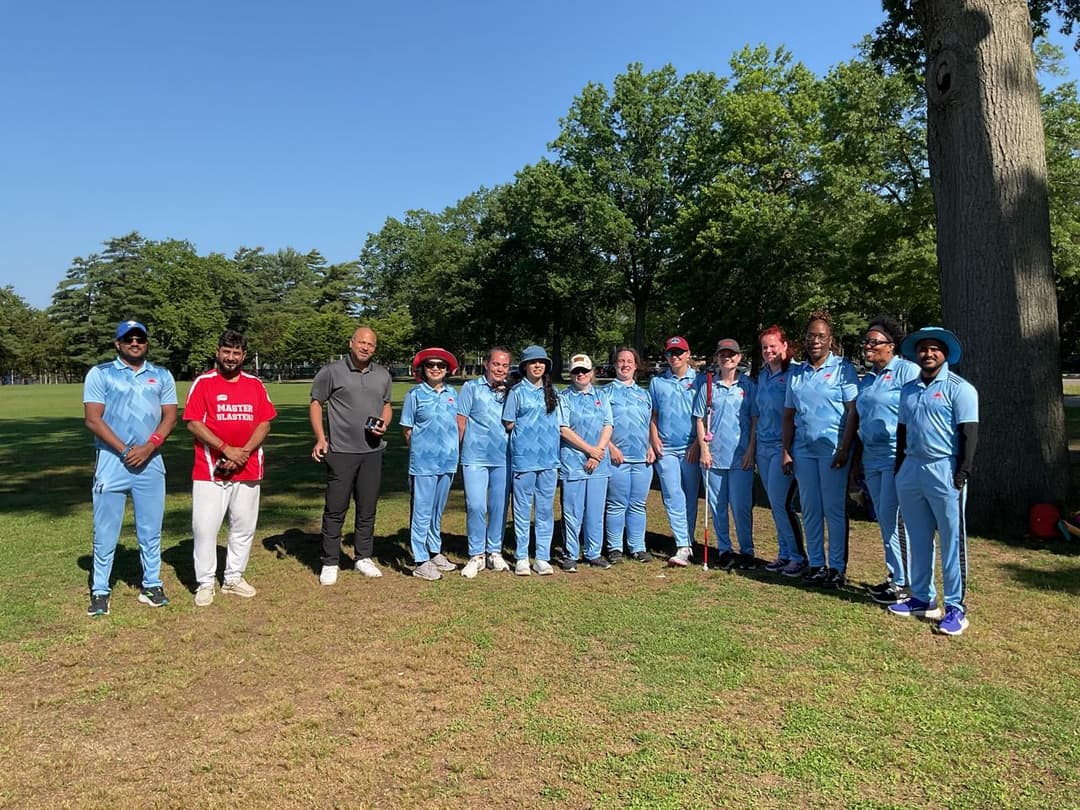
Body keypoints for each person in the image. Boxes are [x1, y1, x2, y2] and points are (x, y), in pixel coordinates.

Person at [83, 320, 178, 616]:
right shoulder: (101, 374)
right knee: (106, 530)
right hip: (112, 463)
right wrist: (124, 450)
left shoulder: (161, 375)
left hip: (150, 462)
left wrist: (149, 447)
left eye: (140, 339)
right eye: (128, 339)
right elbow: (93, 419)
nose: (134, 343)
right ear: (118, 343)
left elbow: (170, 416)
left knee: (150, 529)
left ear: (146, 342)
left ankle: (151, 584)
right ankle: (100, 590)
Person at [888, 327, 978, 636]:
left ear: (945, 353)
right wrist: (899, 468)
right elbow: (901, 432)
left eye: (934, 349)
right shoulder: (909, 389)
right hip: (912, 468)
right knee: (918, 536)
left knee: (952, 541)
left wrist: (961, 473)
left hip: (944, 470)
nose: (928, 354)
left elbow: (969, 435)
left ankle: (956, 608)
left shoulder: (960, 388)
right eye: (923, 349)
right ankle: (922, 598)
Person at [183, 330, 277, 606]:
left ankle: (233, 577)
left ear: (244, 356)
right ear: (218, 352)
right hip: (210, 469)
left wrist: (243, 452)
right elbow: (193, 423)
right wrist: (226, 449)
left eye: (237, 353)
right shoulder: (203, 383)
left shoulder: (255, 385)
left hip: (248, 467)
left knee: (243, 526)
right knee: (205, 527)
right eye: (227, 351)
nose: (231, 357)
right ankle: (205, 582)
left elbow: (264, 423)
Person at [310, 326, 393, 586]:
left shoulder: (382, 374)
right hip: (341, 451)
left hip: (372, 451)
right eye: (362, 342)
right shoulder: (331, 372)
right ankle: (330, 561)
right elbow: (315, 404)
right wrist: (321, 439)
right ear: (351, 343)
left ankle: (363, 557)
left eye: (371, 344)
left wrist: (384, 423)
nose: (366, 347)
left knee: (367, 508)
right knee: (335, 509)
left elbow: (387, 405)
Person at [782, 311, 859, 589]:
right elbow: (789, 415)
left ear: (830, 340)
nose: (815, 340)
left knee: (834, 510)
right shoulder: (797, 373)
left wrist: (844, 449)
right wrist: (786, 450)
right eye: (811, 336)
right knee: (811, 509)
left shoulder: (843, 370)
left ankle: (836, 568)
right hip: (803, 452)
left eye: (821, 336)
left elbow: (853, 412)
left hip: (832, 452)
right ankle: (816, 564)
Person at [854, 316, 920, 605]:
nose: (868, 347)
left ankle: (910, 583)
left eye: (873, 342)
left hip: (898, 457)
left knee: (898, 520)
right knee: (884, 518)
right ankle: (896, 578)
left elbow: (919, 409)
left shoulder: (907, 371)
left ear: (890, 346)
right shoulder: (868, 379)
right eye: (866, 342)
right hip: (872, 457)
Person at [694, 339, 757, 570]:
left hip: (741, 457)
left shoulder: (748, 386)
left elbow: (754, 420)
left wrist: (751, 450)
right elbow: (700, 420)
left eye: (732, 355)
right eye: (723, 355)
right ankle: (724, 549)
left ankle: (747, 551)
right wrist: (704, 450)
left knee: (741, 507)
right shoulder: (708, 386)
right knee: (717, 506)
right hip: (714, 457)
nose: (727, 358)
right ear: (717, 359)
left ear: (739, 358)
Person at [401, 348, 460, 581]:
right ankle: (420, 559)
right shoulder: (414, 395)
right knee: (422, 511)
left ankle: (434, 552)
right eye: (430, 365)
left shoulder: (453, 393)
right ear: (423, 369)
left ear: (447, 370)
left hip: (448, 461)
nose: (436, 368)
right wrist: (420, 451)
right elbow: (407, 429)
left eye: (441, 365)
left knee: (436, 511)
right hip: (424, 463)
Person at [752, 326, 806, 577]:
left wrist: (788, 449)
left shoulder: (796, 374)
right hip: (763, 446)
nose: (768, 351)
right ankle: (784, 553)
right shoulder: (763, 376)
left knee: (781, 503)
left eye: (773, 345)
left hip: (782, 447)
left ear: (785, 346)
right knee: (775, 504)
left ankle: (797, 556)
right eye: (764, 347)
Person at [502, 345, 561, 576]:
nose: (538, 366)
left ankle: (543, 557)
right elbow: (509, 423)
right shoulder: (516, 393)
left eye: (542, 362)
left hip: (548, 460)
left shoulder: (552, 392)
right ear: (525, 366)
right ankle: (522, 556)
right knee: (522, 510)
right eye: (533, 362)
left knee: (545, 510)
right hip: (524, 460)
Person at [456, 347, 513, 577]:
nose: (500, 369)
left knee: (499, 506)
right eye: (496, 364)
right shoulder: (471, 388)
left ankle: (494, 551)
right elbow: (461, 421)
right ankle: (476, 554)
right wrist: (458, 453)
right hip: (474, 456)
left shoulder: (512, 391)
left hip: (503, 457)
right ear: (487, 364)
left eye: (505, 365)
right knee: (476, 505)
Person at [650, 336, 705, 566]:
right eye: (671, 353)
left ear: (688, 353)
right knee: (672, 495)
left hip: (691, 448)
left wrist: (696, 445)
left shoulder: (700, 381)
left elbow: (703, 416)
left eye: (679, 352)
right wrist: (653, 438)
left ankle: (688, 540)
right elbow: (653, 414)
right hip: (667, 448)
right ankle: (682, 545)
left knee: (690, 496)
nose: (675, 357)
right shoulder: (657, 382)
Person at [556, 353, 614, 571]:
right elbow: (563, 429)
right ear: (571, 374)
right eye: (576, 371)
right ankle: (570, 553)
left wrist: (597, 452)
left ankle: (594, 552)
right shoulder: (564, 397)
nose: (581, 374)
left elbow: (608, 424)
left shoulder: (602, 396)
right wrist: (589, 450)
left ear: (592, 373)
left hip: (599, 463)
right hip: (573, 462)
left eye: (585, 371)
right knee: (572, 510)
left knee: (595, 511)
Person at [602, 347, 655, 563]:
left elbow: (649, 422)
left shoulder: (644, 394)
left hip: (642, 459)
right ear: (615, 365)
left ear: (636, 365)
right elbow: (601, 424)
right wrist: (611, 447)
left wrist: (651, 446)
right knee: (616, 503)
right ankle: (614, 547)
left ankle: (637, 546)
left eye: (629, 361)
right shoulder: (605, 393)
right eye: (621, 361)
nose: (625, 364)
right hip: (617, 458)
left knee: (638, 504)